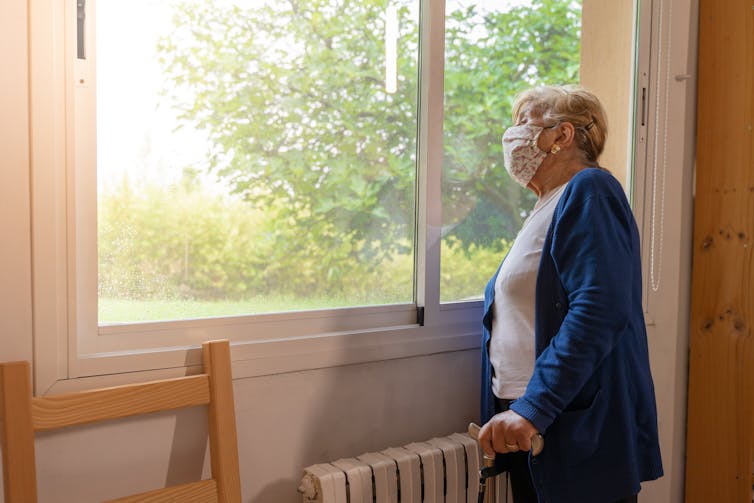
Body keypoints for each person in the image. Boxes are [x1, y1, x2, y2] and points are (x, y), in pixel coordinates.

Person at [478, 85, 663, 503]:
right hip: (530, 417)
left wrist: (532, 407)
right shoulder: (544, 208)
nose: (513, 134)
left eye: (525, 121)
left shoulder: (590, 189)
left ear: (561, 136)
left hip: (559, 416)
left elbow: (599, 309)